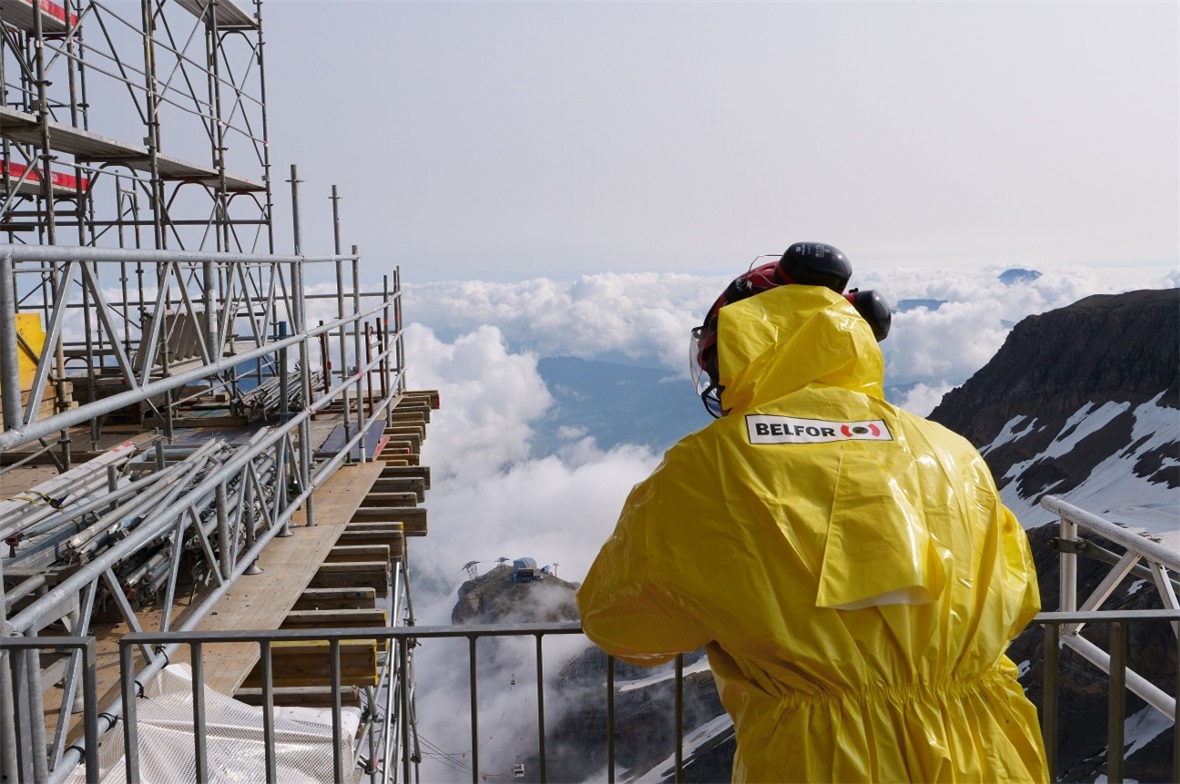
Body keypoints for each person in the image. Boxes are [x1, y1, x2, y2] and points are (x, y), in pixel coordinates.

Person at [576, 243, 1048, 783]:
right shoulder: (951, 452)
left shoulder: (705, 467)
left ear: (737, 345)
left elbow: (620, 625)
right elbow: (1017, 597)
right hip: (987, 752)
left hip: (820, 761)